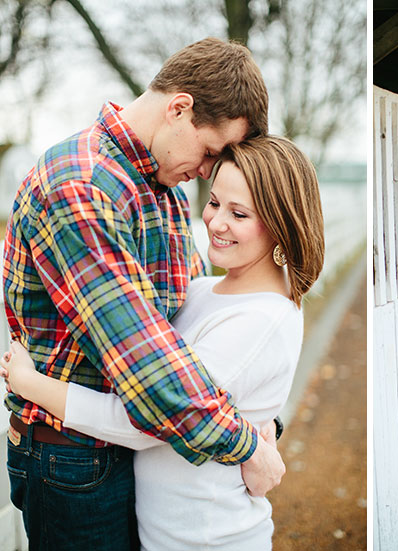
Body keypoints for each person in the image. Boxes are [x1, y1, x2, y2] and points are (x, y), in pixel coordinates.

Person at [2, 38, 283, 550]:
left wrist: (256, 414)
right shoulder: (82, 184)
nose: (206, 172)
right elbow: (146, 363)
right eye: (211, 152)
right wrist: (245, 445)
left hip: (137, 445)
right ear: (180, 108)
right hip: (76, 460)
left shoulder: (162, 189)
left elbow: (189, 327)